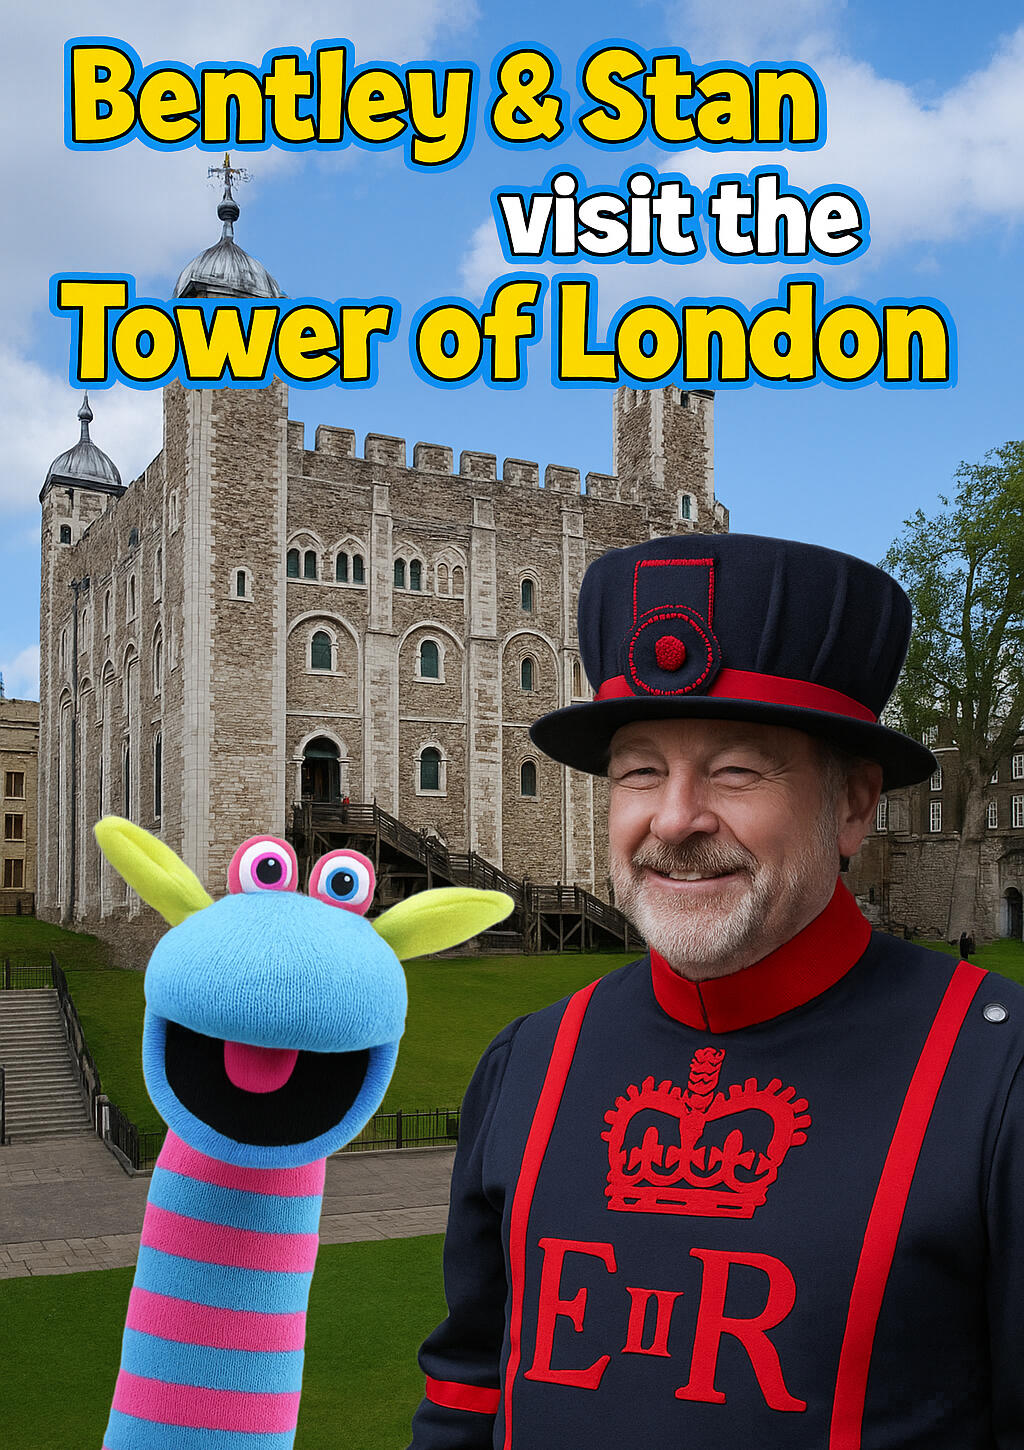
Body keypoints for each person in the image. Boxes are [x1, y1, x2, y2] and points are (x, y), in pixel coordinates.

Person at [407, 533, 1024, 1450]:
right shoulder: (529, 1063)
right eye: (640, 770)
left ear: (853, 805)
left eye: (736, 770)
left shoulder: (997, 1077)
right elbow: (466, 1395)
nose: (675, 818)